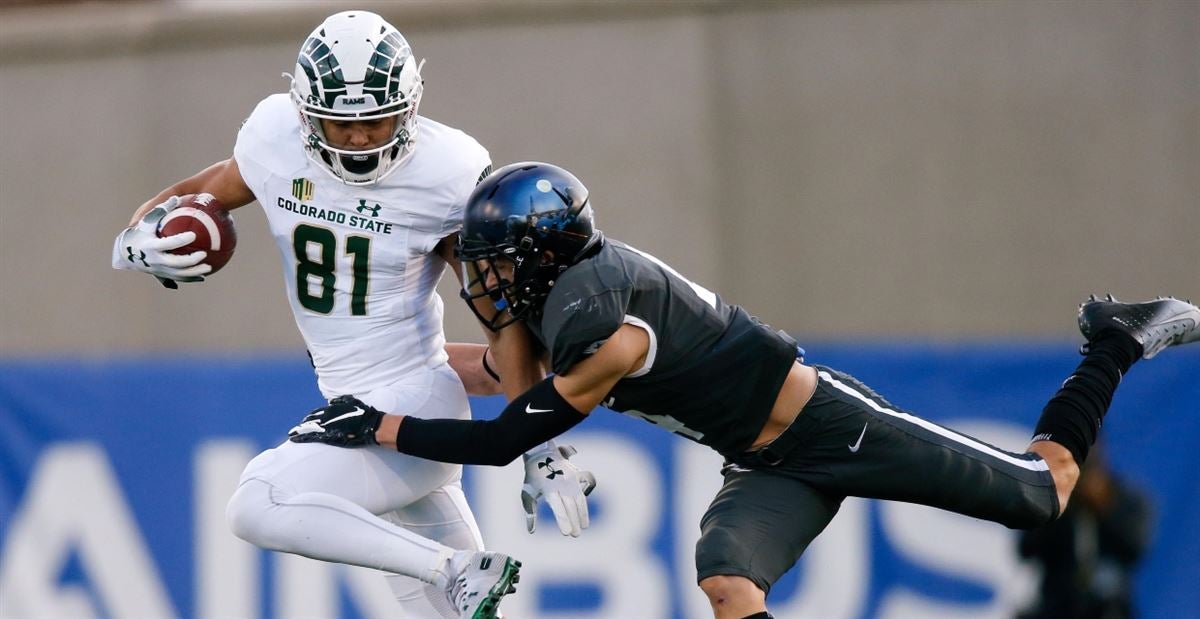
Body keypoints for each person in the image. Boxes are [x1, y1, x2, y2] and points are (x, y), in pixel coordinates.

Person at [286, 161, 1200, 619]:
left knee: (1045, 493)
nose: (482, 285)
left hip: (831, 428)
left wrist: (382, 423)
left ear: (540, 255)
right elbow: (494, 369)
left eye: (494, 265)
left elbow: (497, 440)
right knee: (726, 580)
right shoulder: (565, 297)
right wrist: (381, 377)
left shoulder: (607, 323)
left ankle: (1118, 338)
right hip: (764, 459)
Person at [111, 14, 596, 619]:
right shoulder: (275, 138)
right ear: (306, 113)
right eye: (344, 121)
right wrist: (138, 232)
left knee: (259, 502)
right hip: (351, 404)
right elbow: (206, 190)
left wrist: (536, 444)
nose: (362, 138)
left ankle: (455, 569)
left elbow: (500, 320)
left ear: (410, 107)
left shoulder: (445, 174)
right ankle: (454, 578)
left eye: (377, 119)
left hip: (412, 400)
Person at [1017, 445, 1154, 619]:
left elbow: (1134, 548)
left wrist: (1104, 508)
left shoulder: (1125, 499)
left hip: (1108, 606)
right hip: (1056, 605)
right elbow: (1026, 549)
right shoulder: (1052, 498)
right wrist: (1055, 509)